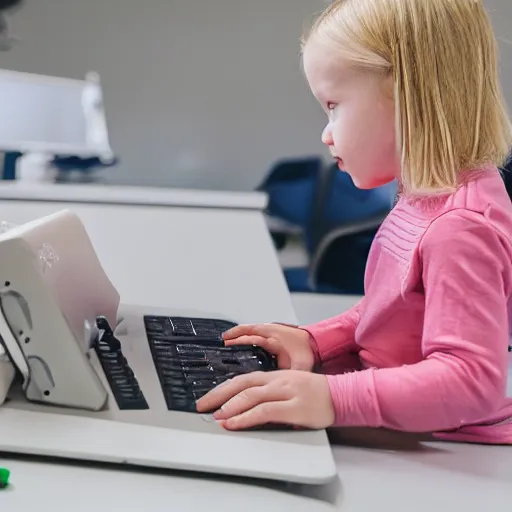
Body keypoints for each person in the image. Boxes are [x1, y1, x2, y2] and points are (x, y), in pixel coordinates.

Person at [196, 0, 512, 444]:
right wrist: (315, 342)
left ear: (409, 94)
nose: (326, 132)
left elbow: (471, 383)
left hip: (444, 445)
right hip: (403, 426)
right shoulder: (426, 195)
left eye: (333, 106)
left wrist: (332, 398)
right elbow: (394, 308)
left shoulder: (461, 227)